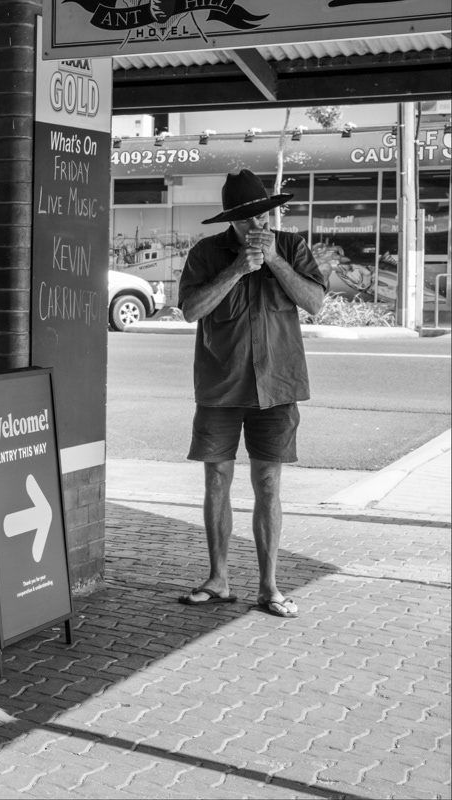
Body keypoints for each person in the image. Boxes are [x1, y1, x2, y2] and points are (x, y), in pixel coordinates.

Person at [176, 170, 327, 619]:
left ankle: (269, 587)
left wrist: (274, 261)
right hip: (220, 387)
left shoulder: (292, 246)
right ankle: (218, 580)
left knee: (268, 483)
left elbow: (315, 302)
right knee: (216, 480)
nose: (256, 225)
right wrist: (237, 268)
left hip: (277, 386)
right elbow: (190, 311)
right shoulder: (206, 253)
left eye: (262, 216)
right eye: (245, 220)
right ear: (231, 221)